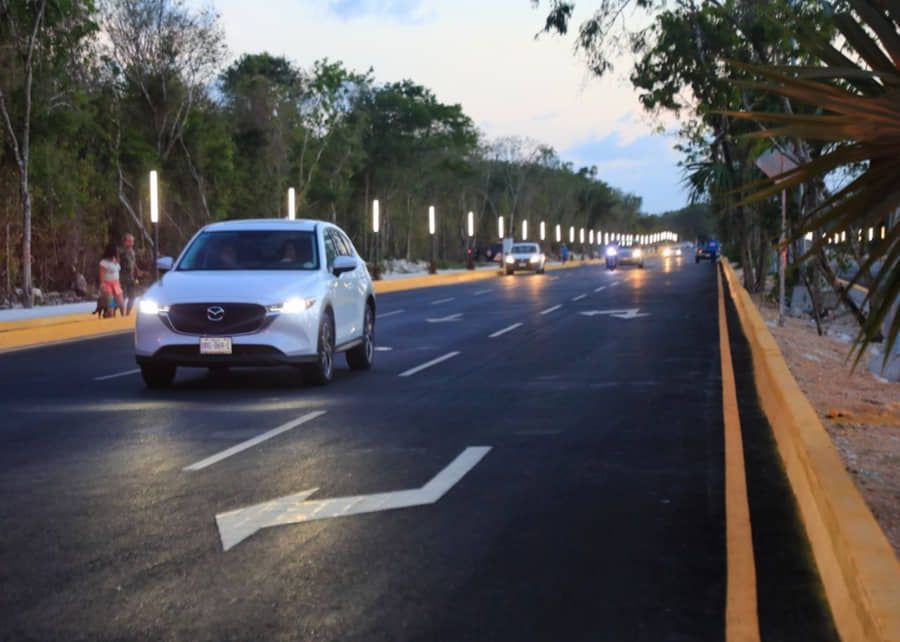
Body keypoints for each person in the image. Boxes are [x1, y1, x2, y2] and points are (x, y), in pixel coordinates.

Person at [98, 243, 125, 317]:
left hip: (116, 284)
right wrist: (102, 285)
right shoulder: (103, 262)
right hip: (107, 285)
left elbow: (117, 273)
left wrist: (119, 284)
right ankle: (108, 315)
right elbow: (102, 275)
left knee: (121, 304)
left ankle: (123, 318)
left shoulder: (116, 261)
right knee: (111, 306)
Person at [120, 233, 144, 315]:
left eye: (132, 241)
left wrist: (137, 270)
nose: (132, 243)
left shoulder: (132, 252)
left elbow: (133, 262)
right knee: (122, 297)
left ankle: (127, 314)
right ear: (125, 242)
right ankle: (121, 314)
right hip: (122, 277)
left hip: (131, 277)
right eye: (130, 241)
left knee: (132, 296)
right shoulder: (121, 252)